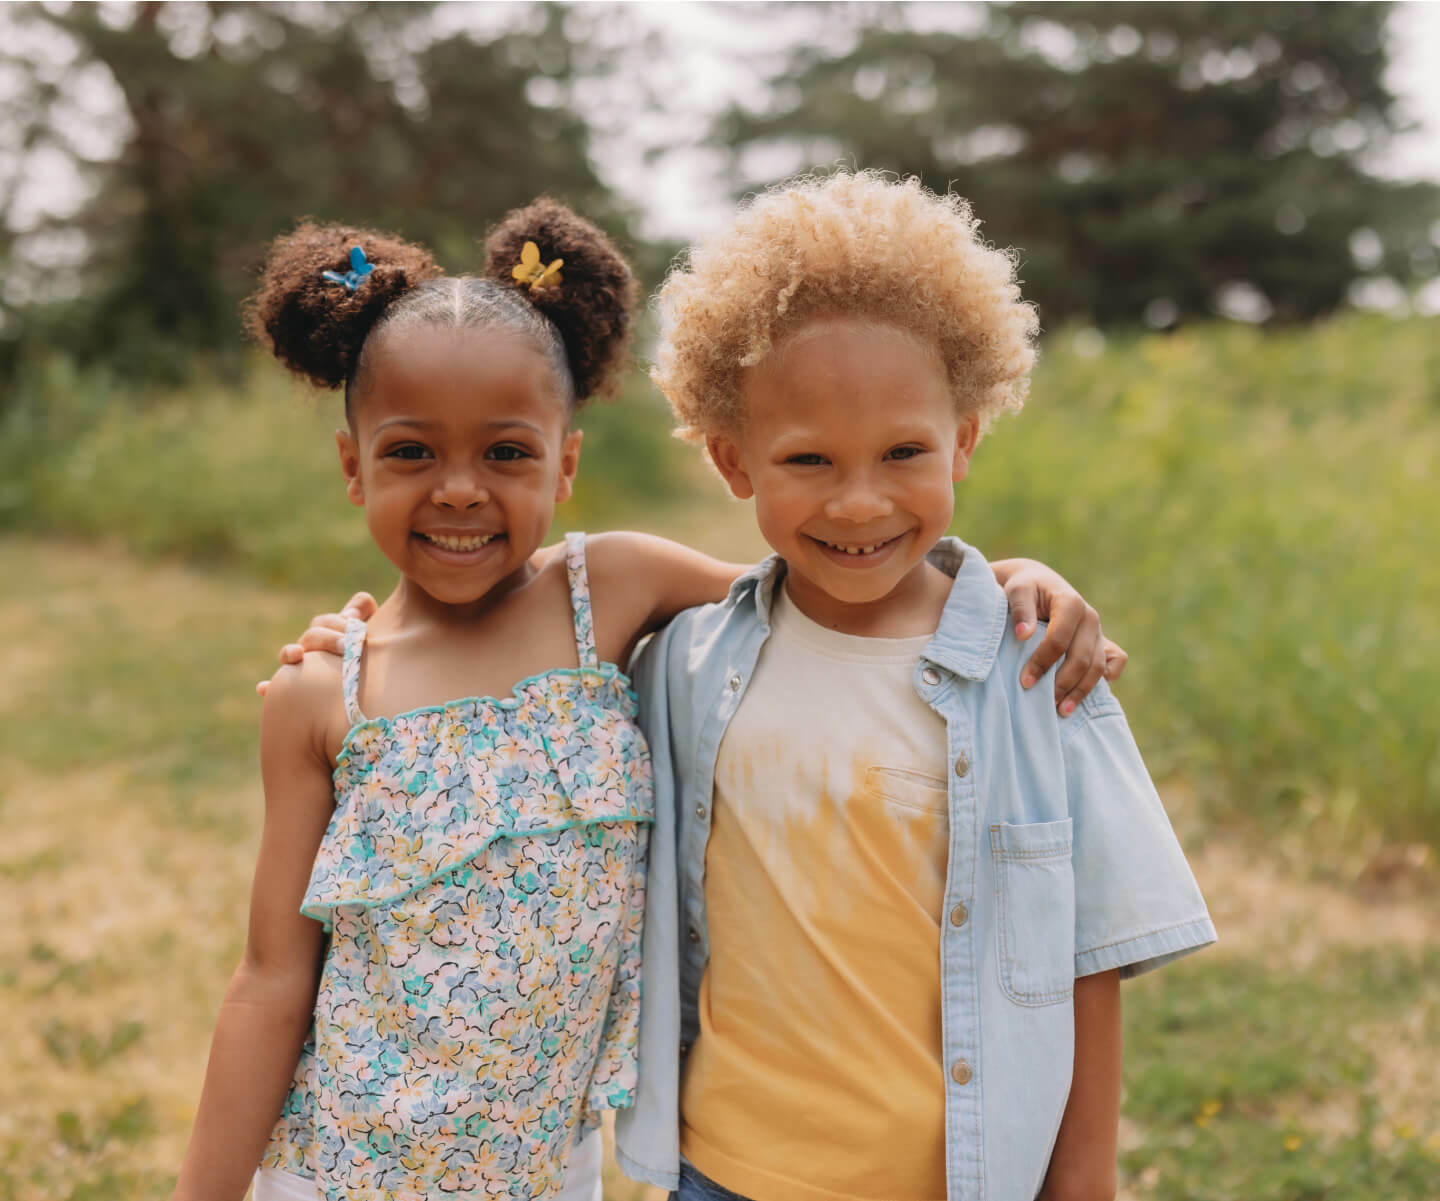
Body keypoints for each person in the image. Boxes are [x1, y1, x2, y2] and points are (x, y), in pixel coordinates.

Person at [186, 196, 1120, 1201]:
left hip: (551, 1177)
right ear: (352, 468)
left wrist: (1009, 579)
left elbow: (834, 585)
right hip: (342, 1171)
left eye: (506, 452)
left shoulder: (612, 592)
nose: (459, 489)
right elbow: (273, 975)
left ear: (568, 462)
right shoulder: (324, 693)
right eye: (412, 452)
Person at [613, 172, 1218, 1201]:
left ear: (965, 441)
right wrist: (353, 639)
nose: (860, 501)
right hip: (723, 1171)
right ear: (733, 460)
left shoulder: (1036, 667)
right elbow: (514, 628)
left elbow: (1088, 955)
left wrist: (1083, 1184)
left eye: (904, 452)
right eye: (808, 458)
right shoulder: (682, 664)